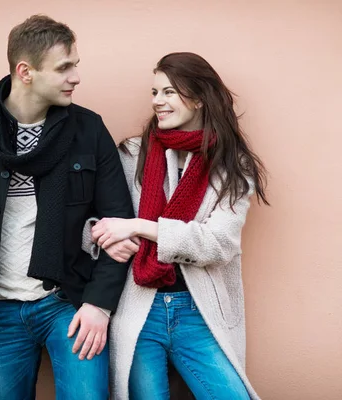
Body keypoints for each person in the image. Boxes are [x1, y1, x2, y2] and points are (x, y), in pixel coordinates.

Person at [0, 14, 134, 400]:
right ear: (26, 71)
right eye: (64, 67)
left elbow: (120, 221)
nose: (76, 77)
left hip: (68, 305)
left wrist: (100, 305)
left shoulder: (88, 131)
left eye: (76, 65)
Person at [84, 52, 269, 399]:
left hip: (199, 312)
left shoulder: (232, 165)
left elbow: (218, 243)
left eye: (169, 92)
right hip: (140, 309)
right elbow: (90, 224)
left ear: (198, 98)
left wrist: (140, 226)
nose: (157, 101)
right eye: (154, 92)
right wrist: (104, 237)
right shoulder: (131, 154)